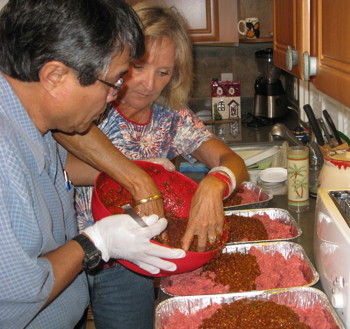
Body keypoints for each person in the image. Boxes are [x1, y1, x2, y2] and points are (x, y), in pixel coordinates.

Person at [0, 1, 185, 328]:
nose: (115, 95)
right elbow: (13, 302)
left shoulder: (36, 119)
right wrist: (95, 242)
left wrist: (137, 175)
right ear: (56, 76)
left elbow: (71, 153)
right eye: (113, 82)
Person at [67, 2, 248, 329]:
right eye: (138, 66)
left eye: (163, 72)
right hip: (68, 249)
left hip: (129, 262)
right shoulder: (91, 102)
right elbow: (64, 166)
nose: (148, 85)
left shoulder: (172, 119)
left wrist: (214, 183)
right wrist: (136, 170)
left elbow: (231, 161)